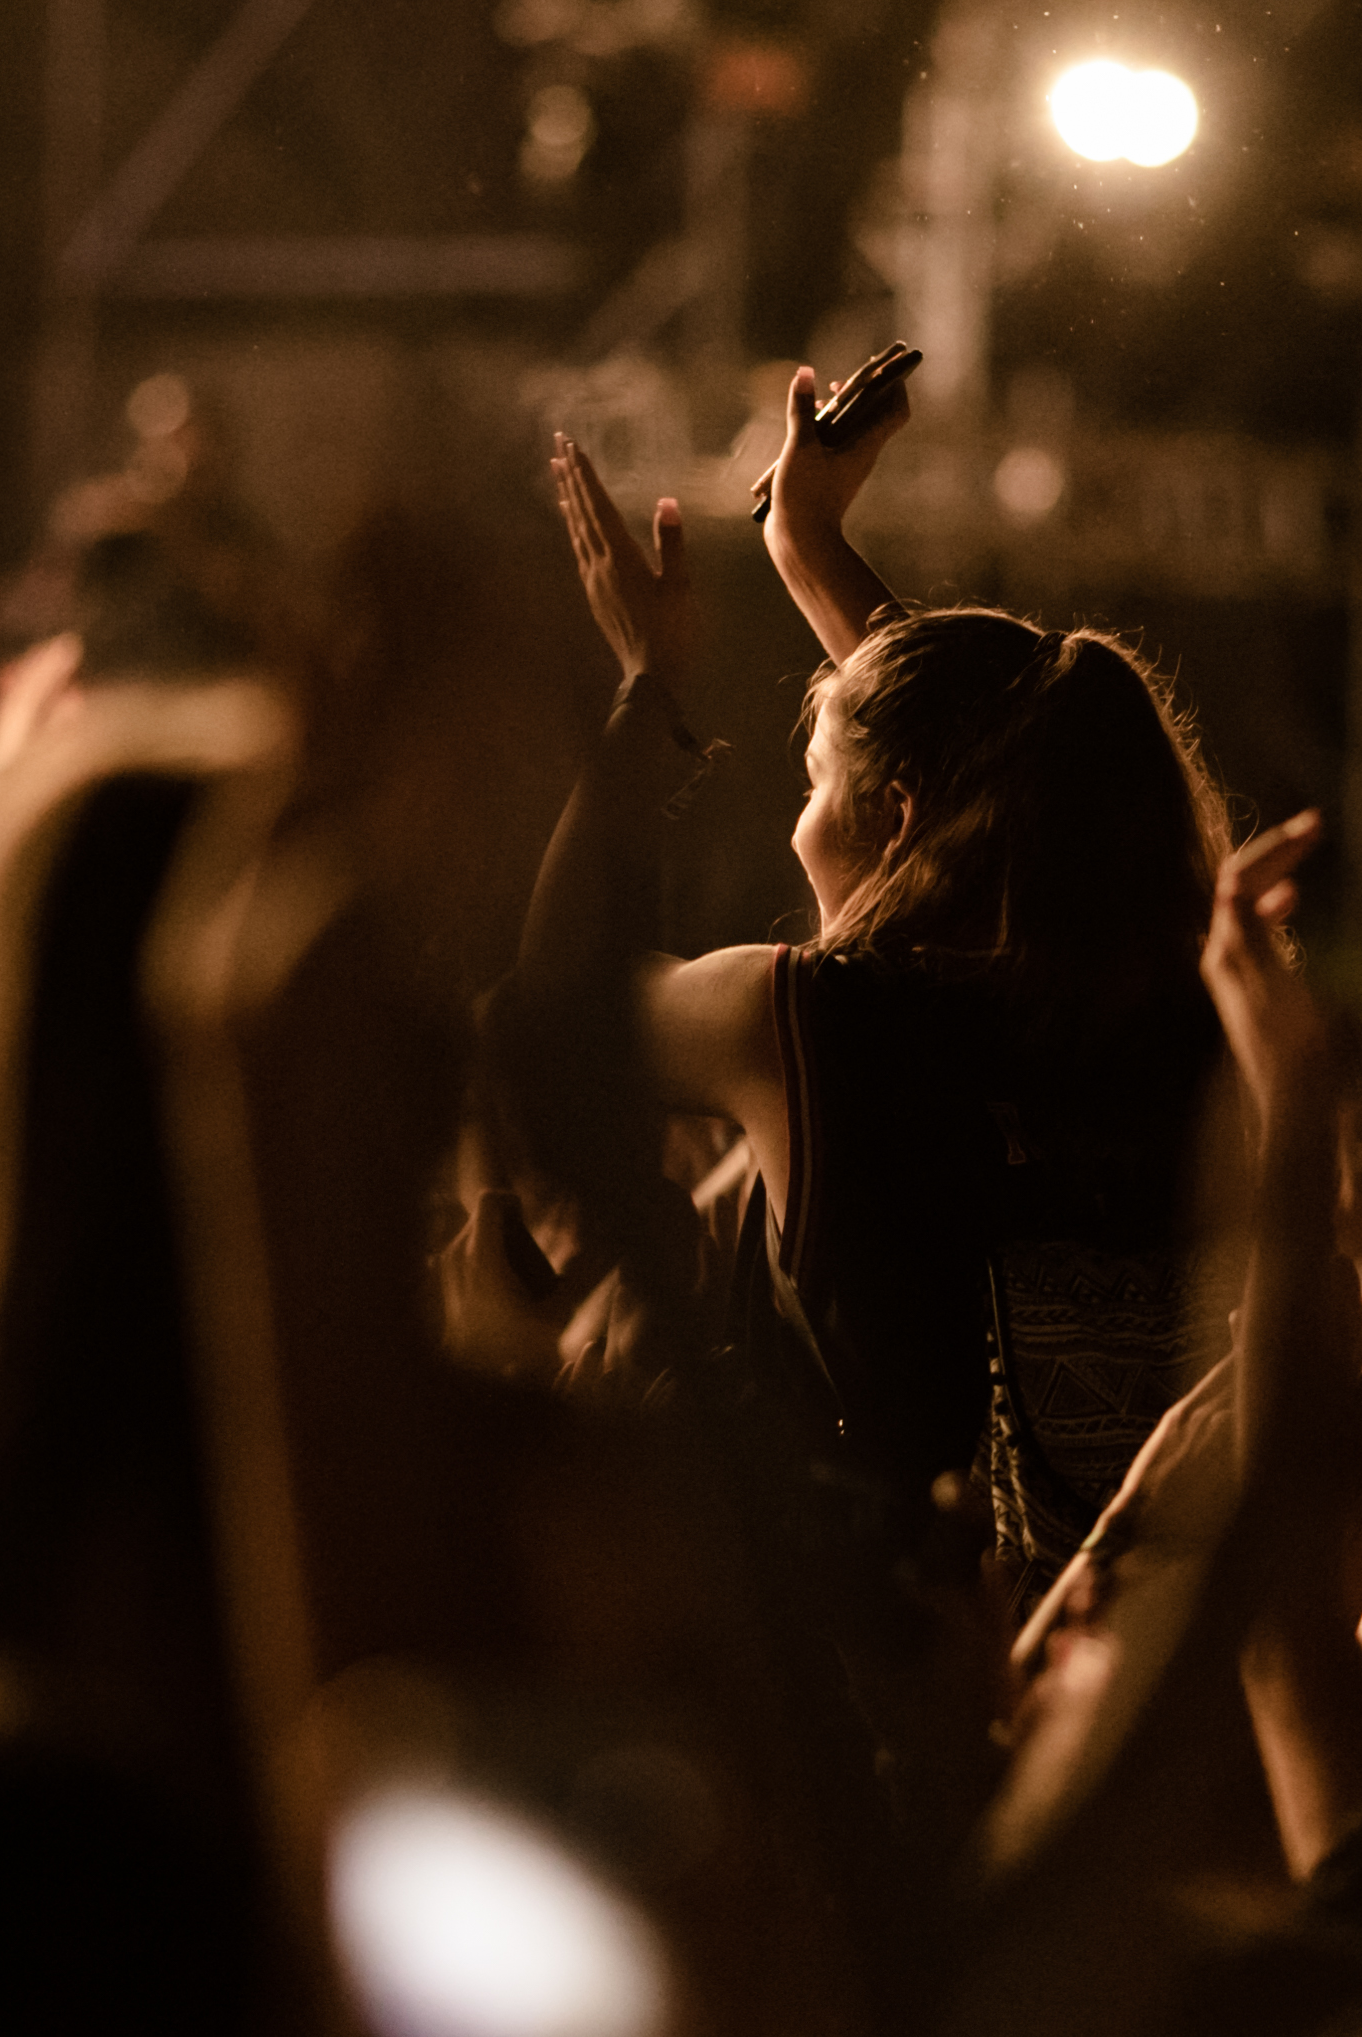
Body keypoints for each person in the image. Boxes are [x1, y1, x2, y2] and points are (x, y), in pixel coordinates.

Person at [514, 364, 1238, 1579]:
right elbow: (1005, 770)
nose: (797, 824)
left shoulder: (807, 1022)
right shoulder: (1181, 1017)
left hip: (902, 1692)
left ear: (896, 819)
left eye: (811, 789)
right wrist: (805, 549)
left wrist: (648, 692)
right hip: (1153, 1680)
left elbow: (560, 1006)